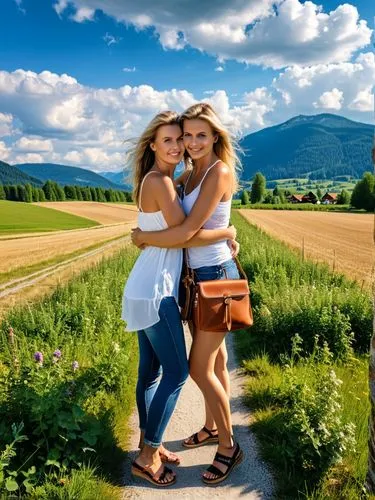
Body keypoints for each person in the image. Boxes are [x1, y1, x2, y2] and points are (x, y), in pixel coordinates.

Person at [122, 110, 237, 487]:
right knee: (205, 363)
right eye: (183, 136)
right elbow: (186, 231)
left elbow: (186, 232)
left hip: (215, 279)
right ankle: (173, 440)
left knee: (202, 366)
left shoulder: (215, 172)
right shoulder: (182, 178)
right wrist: (224, 232)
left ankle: (227, 444)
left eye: (197, 135)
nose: (188, 143)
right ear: (155, 145)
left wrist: (144, 237)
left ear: (215, 136)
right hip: (184, 282)